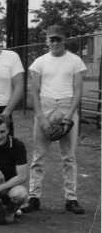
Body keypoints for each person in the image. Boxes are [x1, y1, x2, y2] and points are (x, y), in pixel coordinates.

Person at [22, 25, 86, 214]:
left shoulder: (75, 61)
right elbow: (34, 91)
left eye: (58, 39)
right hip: (46, 105)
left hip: (67, 105)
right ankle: (34, 197)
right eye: (52, 39)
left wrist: (69, 116)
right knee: (39, 156)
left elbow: (78, 90)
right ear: (47, 41)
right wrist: (40, 116)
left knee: (69, 157)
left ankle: (71, 198)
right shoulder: (39, 62)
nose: (55, 42)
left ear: (64, 40)